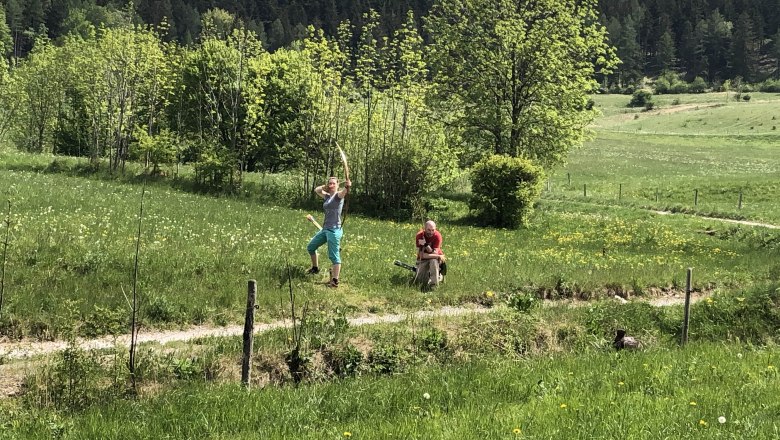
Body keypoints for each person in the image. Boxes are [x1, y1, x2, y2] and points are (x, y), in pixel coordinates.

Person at [306, 176, 351, 287]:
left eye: (333, 184)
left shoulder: (338, 196)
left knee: (334, 256)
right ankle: (315, 268)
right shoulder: (327, 196)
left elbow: (345, 191)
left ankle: (335, 281)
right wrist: (324, 186)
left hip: (334, 230)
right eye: (329, 184)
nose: (331, 186)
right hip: (325, 229)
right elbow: (316, 190)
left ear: (337, 185)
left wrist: (347, 186)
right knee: (311, 247)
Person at [413, 220, 446, 289]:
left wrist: (427, 246)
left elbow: (434, 253)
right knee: (420, 281)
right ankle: (431, 277)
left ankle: (434, 286)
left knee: (433, 260)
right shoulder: (420, 236)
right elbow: (421, 255)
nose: (431, 232)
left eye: (432, 230)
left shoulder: (437, 236)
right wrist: (438, 256)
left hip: (435, 259)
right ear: (424, 228)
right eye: (429, 230)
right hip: (423, 259)